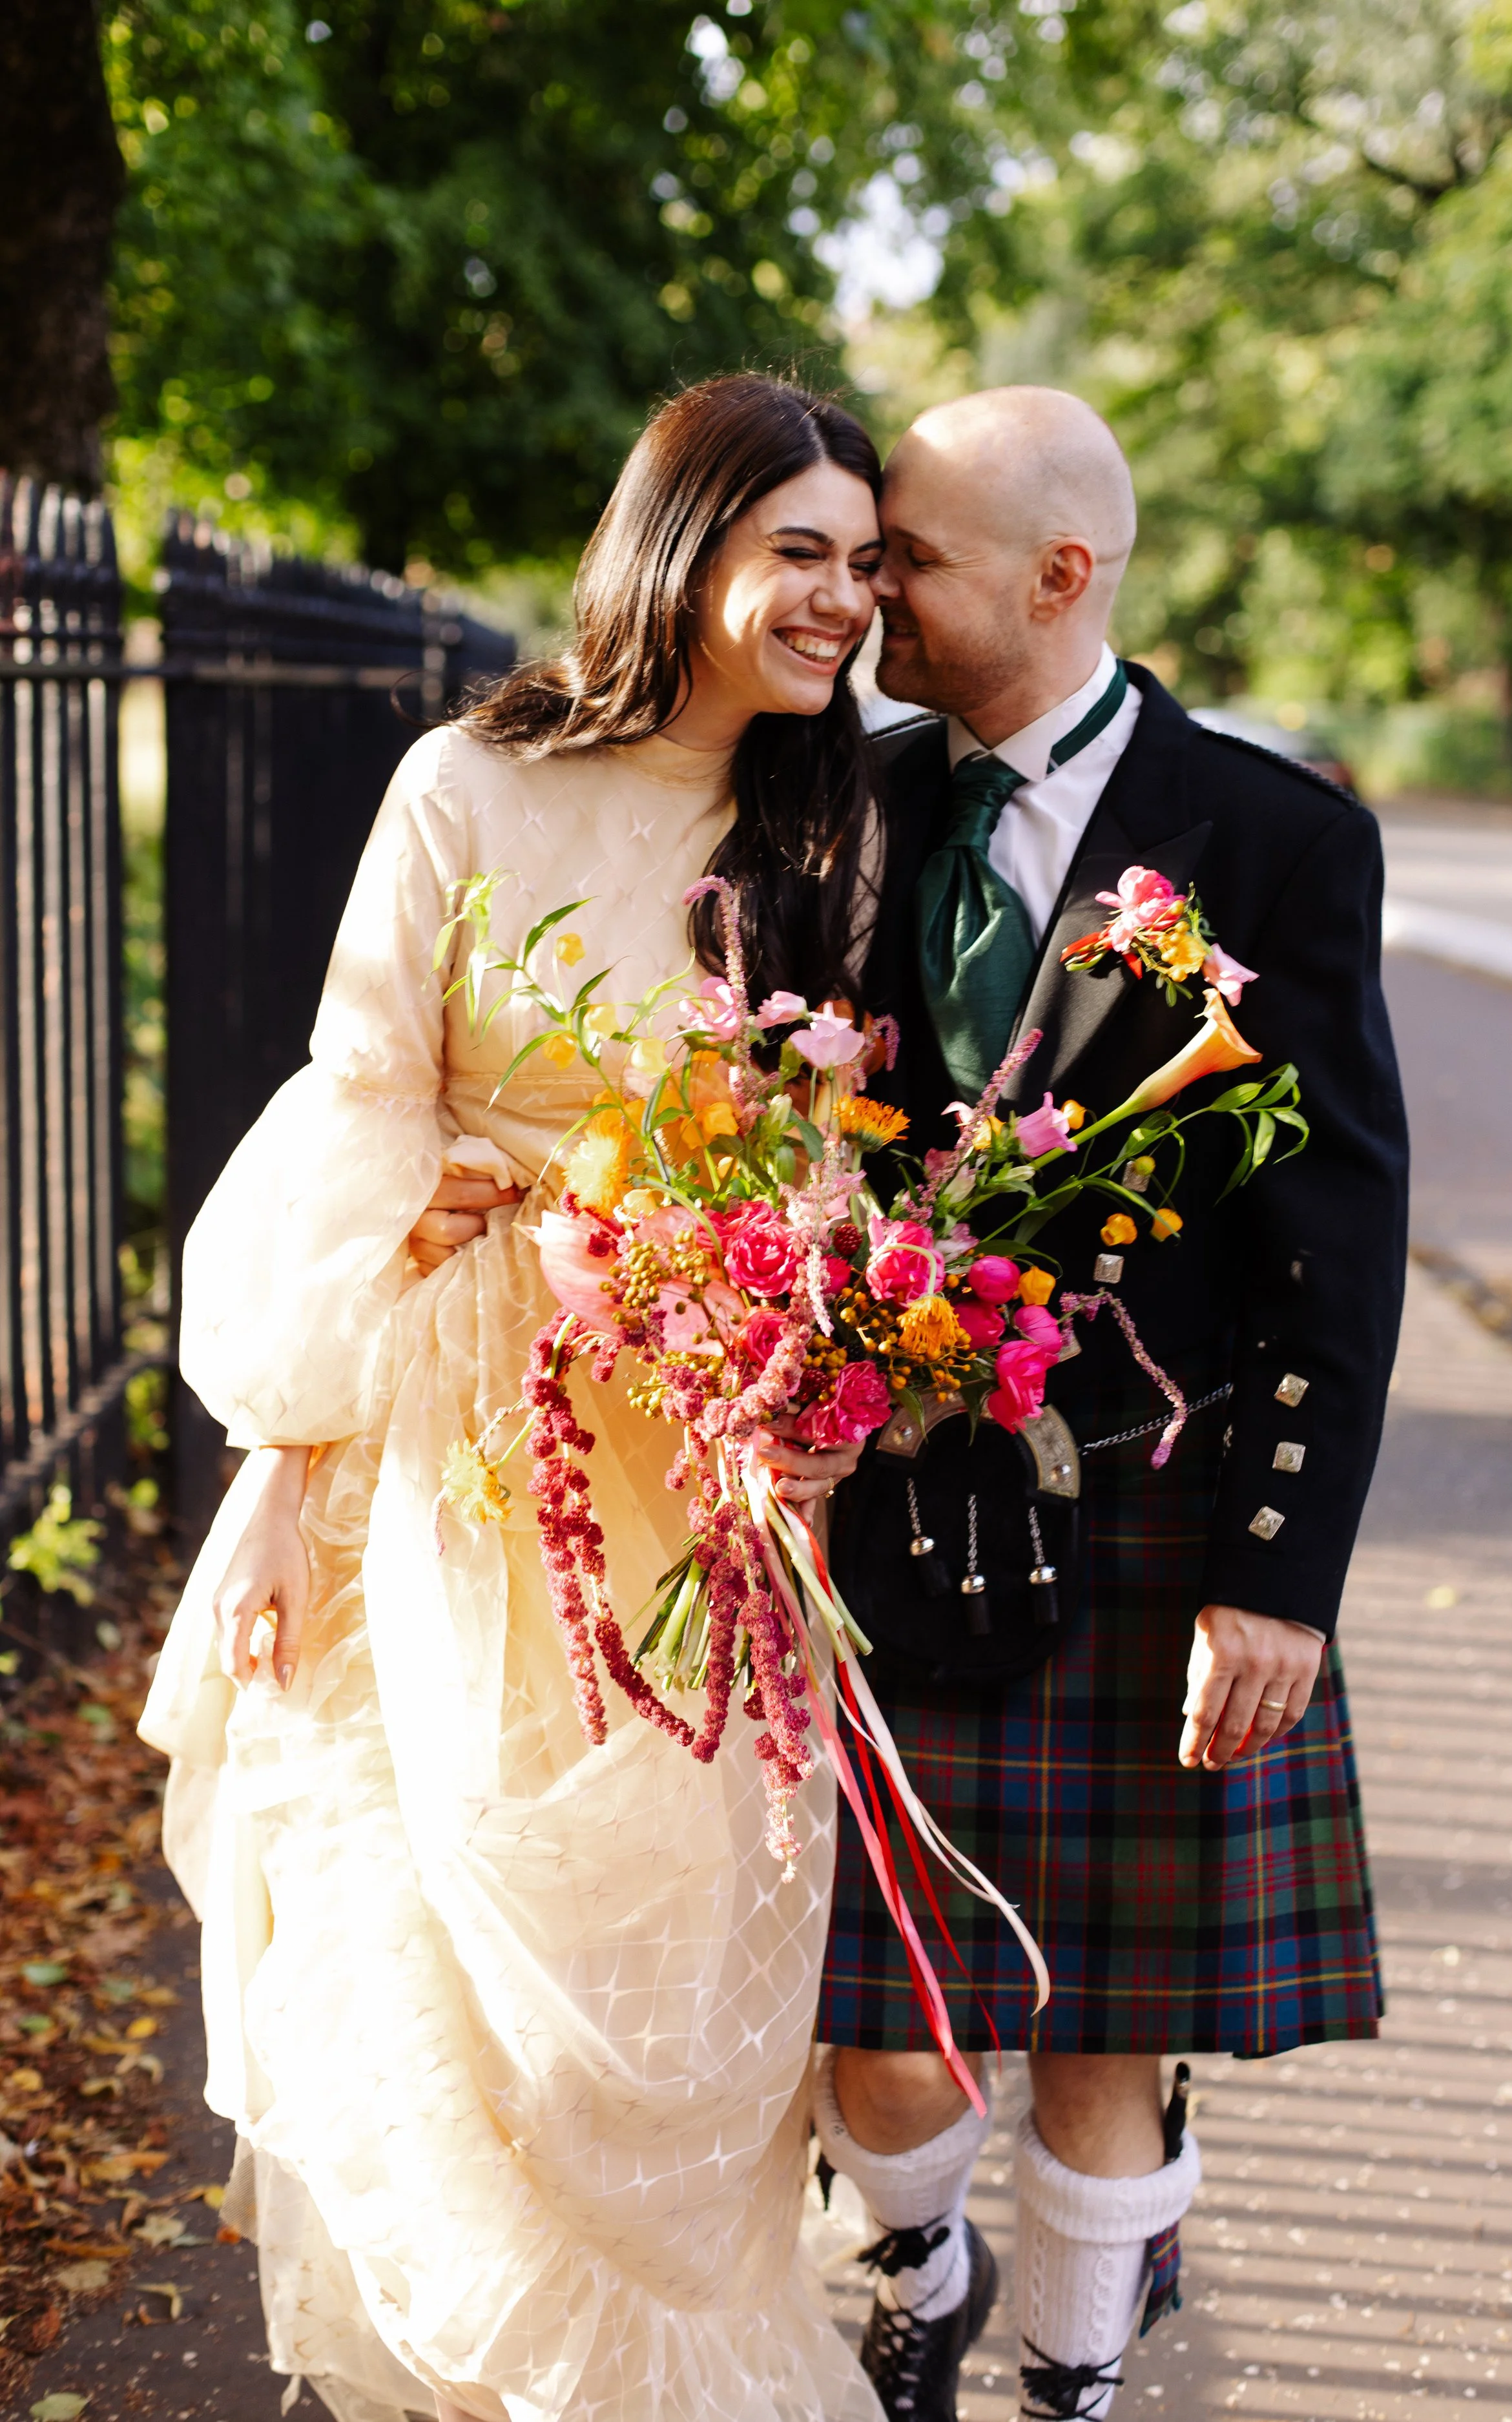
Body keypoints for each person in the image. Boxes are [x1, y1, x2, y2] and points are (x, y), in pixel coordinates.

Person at [138, 374, 895, 2422]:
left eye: (862, 561)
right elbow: (364, 1111)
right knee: (441, 1927)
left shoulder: (838, 820)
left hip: (702, 1444)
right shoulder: (463, 781)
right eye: (796, 551)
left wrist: (810, 1377)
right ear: (688, 547)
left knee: (671, 1971)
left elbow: (830, 1158)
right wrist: (279, 1479)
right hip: (457, 1428)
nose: (842, 598)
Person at [812, 387, 1406, 2422]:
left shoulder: (1277, 839)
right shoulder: (837, 804)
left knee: (1097, 2025)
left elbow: (1337, 1225)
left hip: (1150, 1501)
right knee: (867, 2020)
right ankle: (917, 2252)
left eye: (910, 559)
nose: (871, 588)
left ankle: (1065, 2377)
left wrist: (1280, 1572)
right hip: (866, 1507)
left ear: (1062, 578)